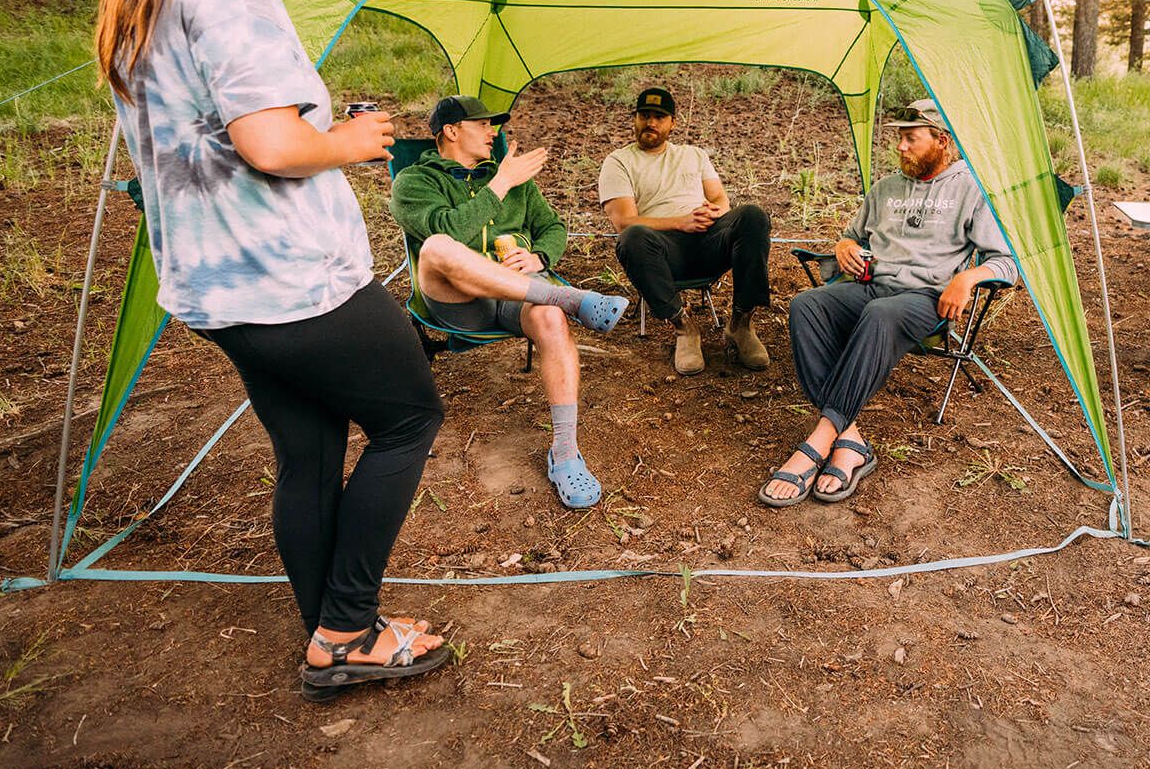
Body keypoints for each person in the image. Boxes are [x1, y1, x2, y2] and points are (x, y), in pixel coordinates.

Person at [94, 0, 449, 701]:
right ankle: (348, 628)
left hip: (215, 291)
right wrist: (353, 139)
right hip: (294, 282)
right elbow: (271, 144)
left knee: (308, 450)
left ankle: (330, 636)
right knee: (410, 421)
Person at [759, 99, 1019, 507]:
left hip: (924, 299)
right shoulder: (885, 188)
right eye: (899, 138)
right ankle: (851, 442)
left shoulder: (971, 189)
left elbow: (1006, 263)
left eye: (910, 139)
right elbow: (851, 236)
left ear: (942, 141)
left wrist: (968, 277)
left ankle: (821, 438)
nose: (900, 147)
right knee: (806, 305)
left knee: (879, 314)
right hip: (873, 286)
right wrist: (845, 247)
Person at [389, 95, 629, 509]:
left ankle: (565, 453)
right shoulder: (414, 182)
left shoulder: (512, 178)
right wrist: (500, 183)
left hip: (519, 292)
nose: (492, 132)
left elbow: (551, 226)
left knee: (552, 319)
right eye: (482, 125)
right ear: (451, 131)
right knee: (437, 246)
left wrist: (539, 257)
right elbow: (451, 230)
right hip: (459, 300)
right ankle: (567, 297)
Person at [599, 86, 772, 375]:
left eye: (659, 117)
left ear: (672, 123)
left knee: (753, 216)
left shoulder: (694, 154)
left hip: (708, 240)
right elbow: (624, 221)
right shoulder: (619, 161)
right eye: (645, 115)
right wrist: (681, 222)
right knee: (632, 238)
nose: (650, 123)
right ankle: (684, 328)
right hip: (663, 251)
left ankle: (741, 323)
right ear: (635, 119)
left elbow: (720, 198)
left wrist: (718, 210)